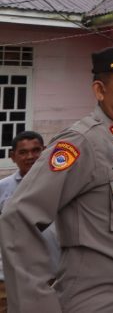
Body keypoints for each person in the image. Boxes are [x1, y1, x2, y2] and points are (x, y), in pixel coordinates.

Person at [0, 46, 113, 313]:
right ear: (100, 90)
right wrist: (37, 304)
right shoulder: (81, 143)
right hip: (97, 303)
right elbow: (18, 218)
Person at [0, 130, 59, 312]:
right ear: (13, 157)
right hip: (10, 277)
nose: (30, 157)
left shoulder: (60, 184)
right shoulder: (3, 188)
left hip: (54, 276)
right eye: (23, 152)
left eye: (36, 150)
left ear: (45, 151)